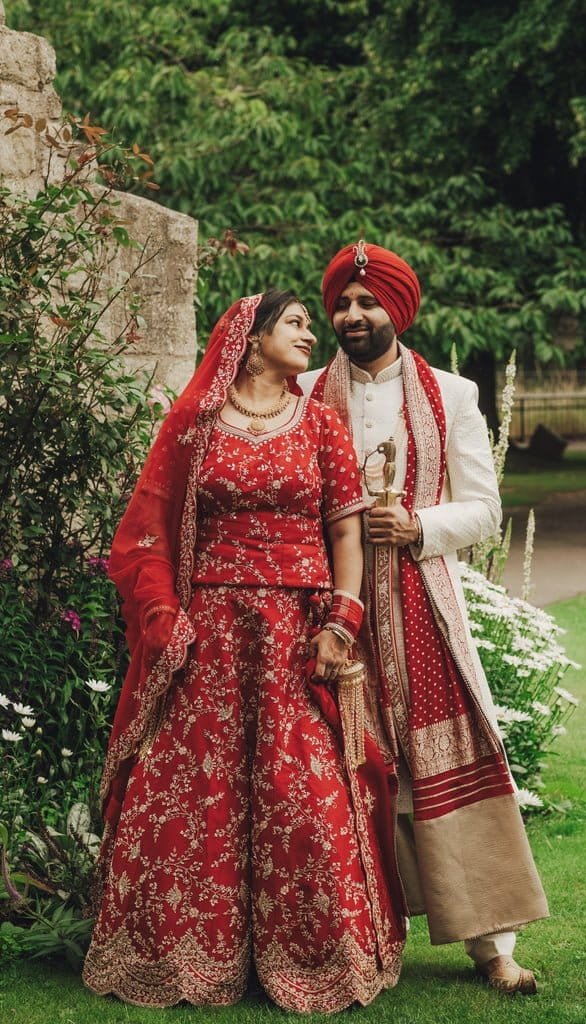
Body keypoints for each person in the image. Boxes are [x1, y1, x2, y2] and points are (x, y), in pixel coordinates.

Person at [82, 290, 406, 1012]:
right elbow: (147, 530)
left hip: (296, 633)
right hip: (210, 633)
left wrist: (342, 621)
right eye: (294, 323)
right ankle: (182, 956)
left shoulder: (320, 424)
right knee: (196, 789)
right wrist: (165, 617)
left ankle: (318, 954)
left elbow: (345, 533)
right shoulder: (194, 425)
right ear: (252, 338)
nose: (309, 334)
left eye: (309, 325)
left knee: (304, 789)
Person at [298, 242, 549, 996]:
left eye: (367, 302)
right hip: (327, 607)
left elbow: (485, 510)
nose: (352, 315)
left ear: (398, 310)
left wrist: (417, 525)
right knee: (339, 761)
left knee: (449, 755)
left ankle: (493, 947)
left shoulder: (452, 394)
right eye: (342, 303)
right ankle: (349, 938)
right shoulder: (301, 390)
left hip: (421, 605)